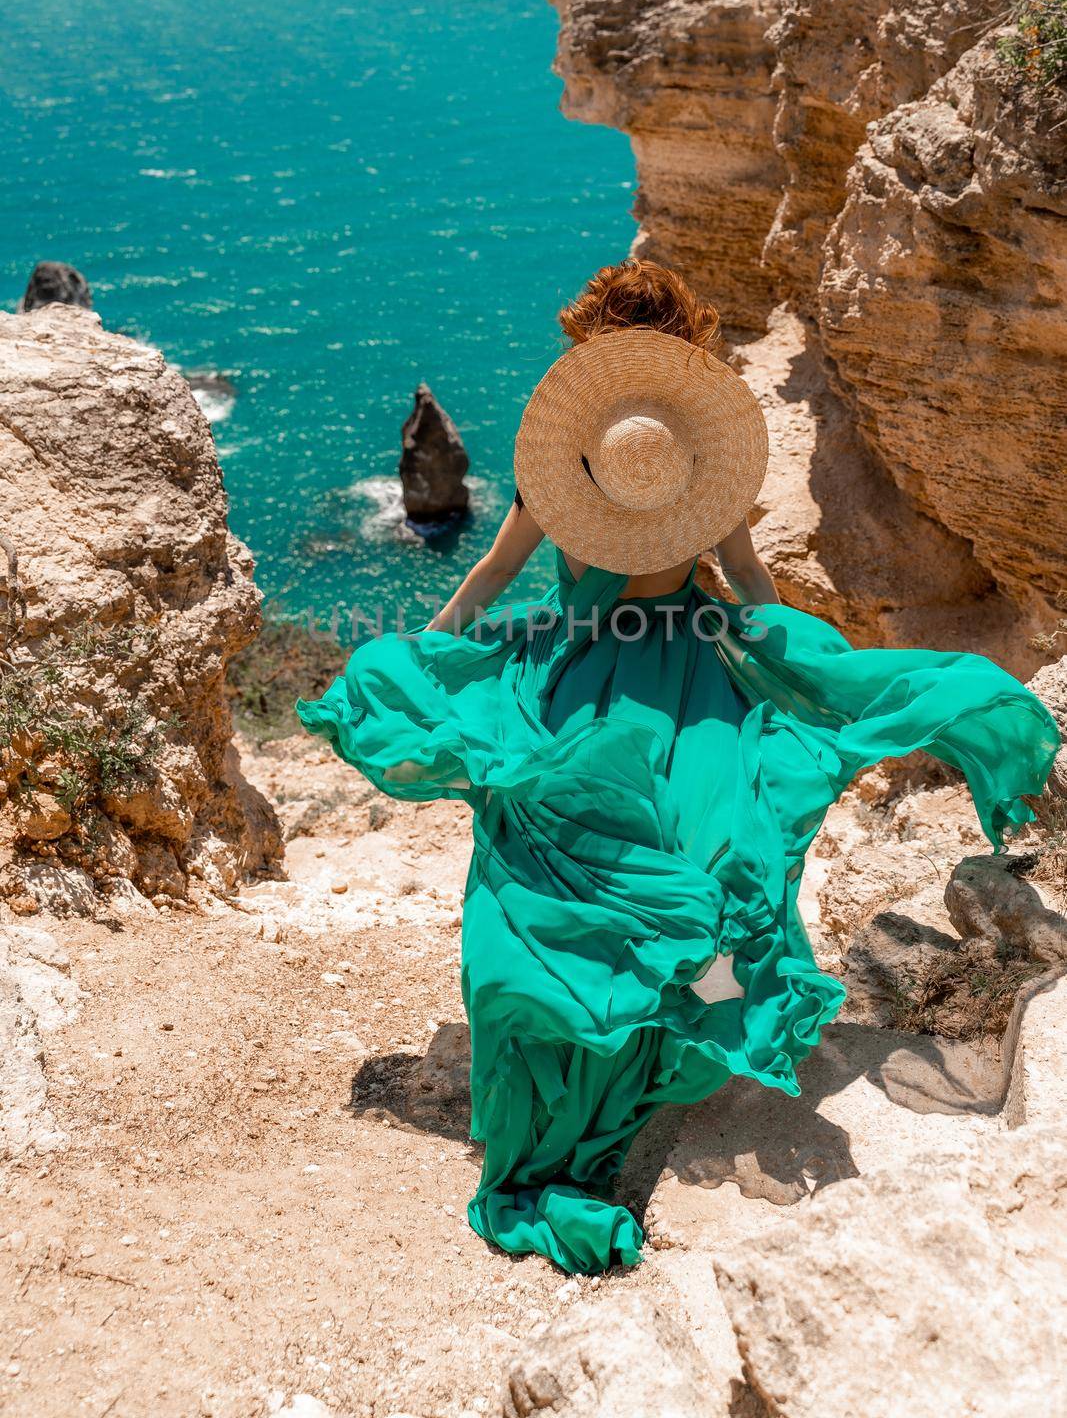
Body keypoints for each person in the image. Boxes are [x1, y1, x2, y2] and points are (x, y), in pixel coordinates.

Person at [296, 259, 1059, 1276]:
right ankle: (663, 1048)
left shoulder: (564, 469)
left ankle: (566, 1068)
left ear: (595, 357)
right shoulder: (698, 471)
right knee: (696, 863)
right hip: (692, 677)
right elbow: (747, 585)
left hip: (574, 682)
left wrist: (426, 656)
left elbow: (487, 576)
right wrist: (803, 665)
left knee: (552, 876)